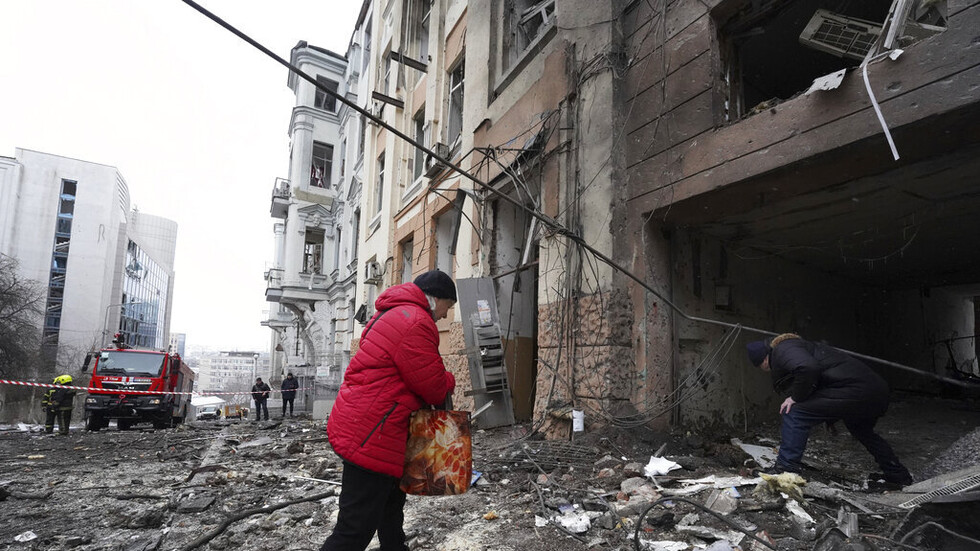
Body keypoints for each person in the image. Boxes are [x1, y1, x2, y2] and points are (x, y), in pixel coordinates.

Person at [321, 269, 458, 551]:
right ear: (436, 299)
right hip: (373, 435)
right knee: (354, 530)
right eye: (448, 306)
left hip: (374, 427)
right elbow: (433, 386)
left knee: (390, 507)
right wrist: (450, 380)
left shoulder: (393, 313)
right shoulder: (415, 321)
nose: (445, 315)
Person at [746, 333, 913, 487]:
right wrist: (830, 416)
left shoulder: (783, 349)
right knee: (862, 431)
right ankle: (897, 475)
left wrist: (795, 397)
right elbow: (826, 380)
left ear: (764, 360)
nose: (765, 370)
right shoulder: (798, 347)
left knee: (794, 411)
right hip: (872, 391)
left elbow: (808, 368)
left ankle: (785, 470)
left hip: (856, 390)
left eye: (762, 366)